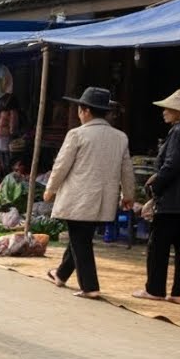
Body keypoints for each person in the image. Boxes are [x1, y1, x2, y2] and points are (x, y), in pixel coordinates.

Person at [41, 87, 134, 300]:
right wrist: (128, 195)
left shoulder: (77, 134)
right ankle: (60, 273)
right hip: (103, 201)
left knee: (80, 240)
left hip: (78, 199)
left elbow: (61, 166)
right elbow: (127, 169)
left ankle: (90, 286)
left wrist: (50, 189)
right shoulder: (120, 137)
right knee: (80, 237)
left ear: (85, 111)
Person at [135, 89, 180, 303]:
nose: (164, 111)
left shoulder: (177, 132)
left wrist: (155, 187)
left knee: (158, 247)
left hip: (172, 201)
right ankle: (178, 292)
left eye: (168, 108)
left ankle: (155, 289)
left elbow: (172, 165)